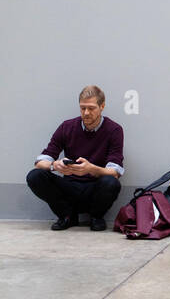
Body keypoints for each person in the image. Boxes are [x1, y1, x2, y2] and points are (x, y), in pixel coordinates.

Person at [26, 86, 124, 231]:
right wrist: (55, 165)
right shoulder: (67, 127)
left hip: (95, 189)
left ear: (102, 106)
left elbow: (115, 171)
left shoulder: (114, 130)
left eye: (91, 108)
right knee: (35, 176)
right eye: (82, 108)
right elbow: (40, 161)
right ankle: (66, 216)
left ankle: (96, 217)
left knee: (111, 182)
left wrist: (90, 169)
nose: (86, 113)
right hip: (69, 187)